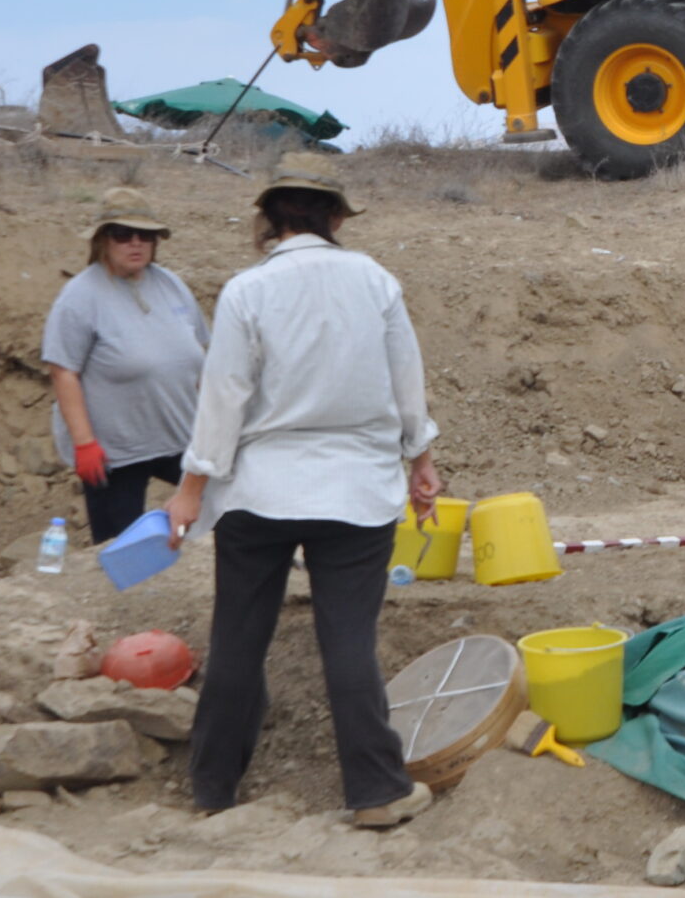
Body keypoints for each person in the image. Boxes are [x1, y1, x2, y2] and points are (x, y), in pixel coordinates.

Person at [164, 155, 442, 829]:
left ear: (269, 219)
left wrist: (190, 487)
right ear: (337, 217)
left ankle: (213, 789)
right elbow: (407, 381)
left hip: (259, 490)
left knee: (237, 638)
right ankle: (376, 791)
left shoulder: (245, 291)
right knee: (348, 640)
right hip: (357, 489)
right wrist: (422, 463)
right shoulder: (376, 281)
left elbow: (224, 395)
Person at [42, 188, 208, 544]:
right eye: (123, 235)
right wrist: (84, 443)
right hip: (115, 451)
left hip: (180, 436)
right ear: (103, 239)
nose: (135, 243)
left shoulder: (172, 285)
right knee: (121, 547)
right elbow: (63, 370)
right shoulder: (80, 296)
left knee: (218, 518)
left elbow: (200, 355)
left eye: (145, 235)